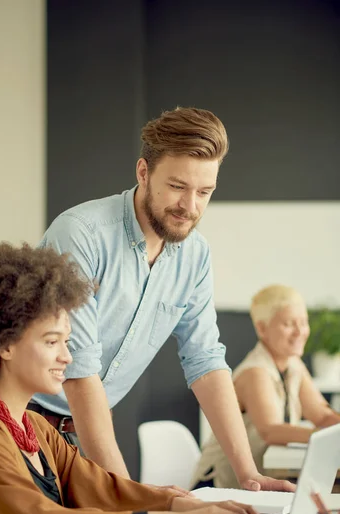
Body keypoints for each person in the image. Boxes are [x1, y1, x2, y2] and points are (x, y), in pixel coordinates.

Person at [0, 242, 267, 514]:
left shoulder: (35, 427)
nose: (67, 356)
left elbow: (104, 490)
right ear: (4, 345)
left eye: (67, 341)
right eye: (52, 342)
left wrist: (181, 503)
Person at [31, 106, 293, 493]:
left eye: (204, 192)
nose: (190, 207)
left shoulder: (194, 256)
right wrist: (125, 493)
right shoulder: (82, 235)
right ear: (143, 172)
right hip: (22, 422)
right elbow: (80, 370)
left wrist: (248, 474)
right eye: (177, 187)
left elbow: (205, 361)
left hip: (84, 431)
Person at [191, 284, 340, 490]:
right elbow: (271, 431)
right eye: (289, 324)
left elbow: (321, 415)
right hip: (218, 487)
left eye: (303, 322)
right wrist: (327, 438)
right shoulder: (255, 371)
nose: (299, 331)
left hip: (260, 484)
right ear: (262, 328)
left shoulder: (293, 364)